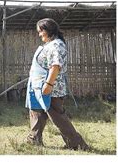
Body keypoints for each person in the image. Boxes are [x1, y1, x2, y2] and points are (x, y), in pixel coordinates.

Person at [25, 18, 89, 150]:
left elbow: (55, 66)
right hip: (37, 86)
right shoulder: (48, 45)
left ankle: (77, 144)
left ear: (47, 30)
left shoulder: (57, 45)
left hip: (51, 88)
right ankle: (34, 140)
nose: (39, 34)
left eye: (40, 31)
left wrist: (48, 84)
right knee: (36, 113)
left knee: (57, 117)